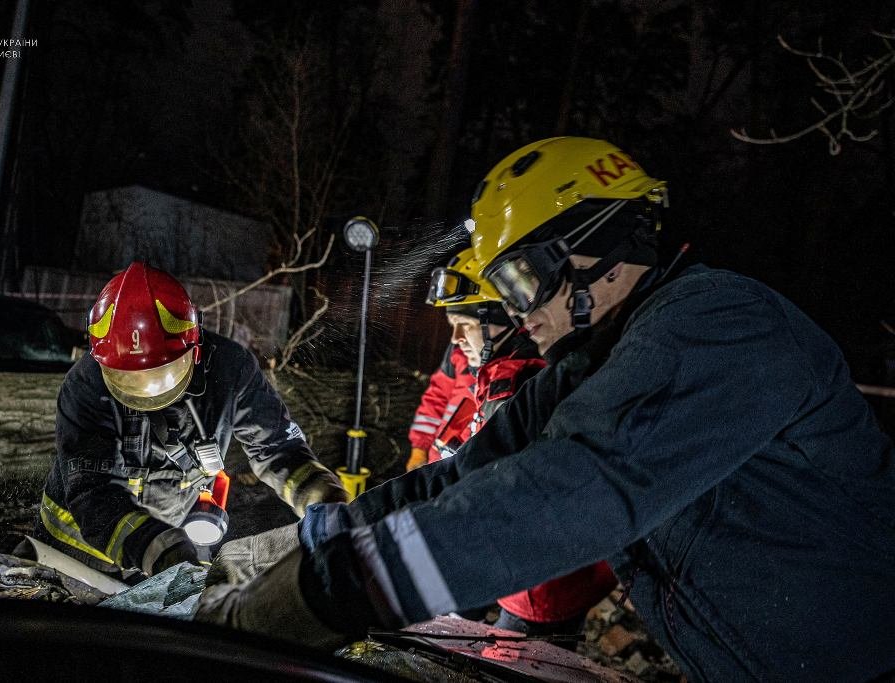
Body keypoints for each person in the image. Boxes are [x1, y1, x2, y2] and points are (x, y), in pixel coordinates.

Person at [196, 138, 895, 681]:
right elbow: (464, 474)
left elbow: (567, 491)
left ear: (600, 249)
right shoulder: (601, 362)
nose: (513, 309)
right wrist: (319, 536)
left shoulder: (716, 325)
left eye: (521, 278)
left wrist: (332, 590)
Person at [34, 261, 347, 576]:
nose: (146, 391)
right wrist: (160, 551)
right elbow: (93, 491)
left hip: (163, 544)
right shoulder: (86, 384)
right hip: (74, 553)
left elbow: (278, 447)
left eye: (160, 375)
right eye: (127, 379)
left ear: (194, 348)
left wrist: (318, 492)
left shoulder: (230, 370)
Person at [426, 248, 618, 640]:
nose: (456, 339)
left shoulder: (515, 384)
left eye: (464, 325)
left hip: (539, 585)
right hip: (549, 573)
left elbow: (493, 497)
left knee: (510, 661)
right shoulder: (510, 371)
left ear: (504, 321)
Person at [404, 343, 473, 469]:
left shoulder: (513, 358)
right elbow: (435, 400)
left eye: (467, 324)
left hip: (468, 471)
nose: (456, 336)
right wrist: (420, 449)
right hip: (437, 461)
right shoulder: (458, 351)